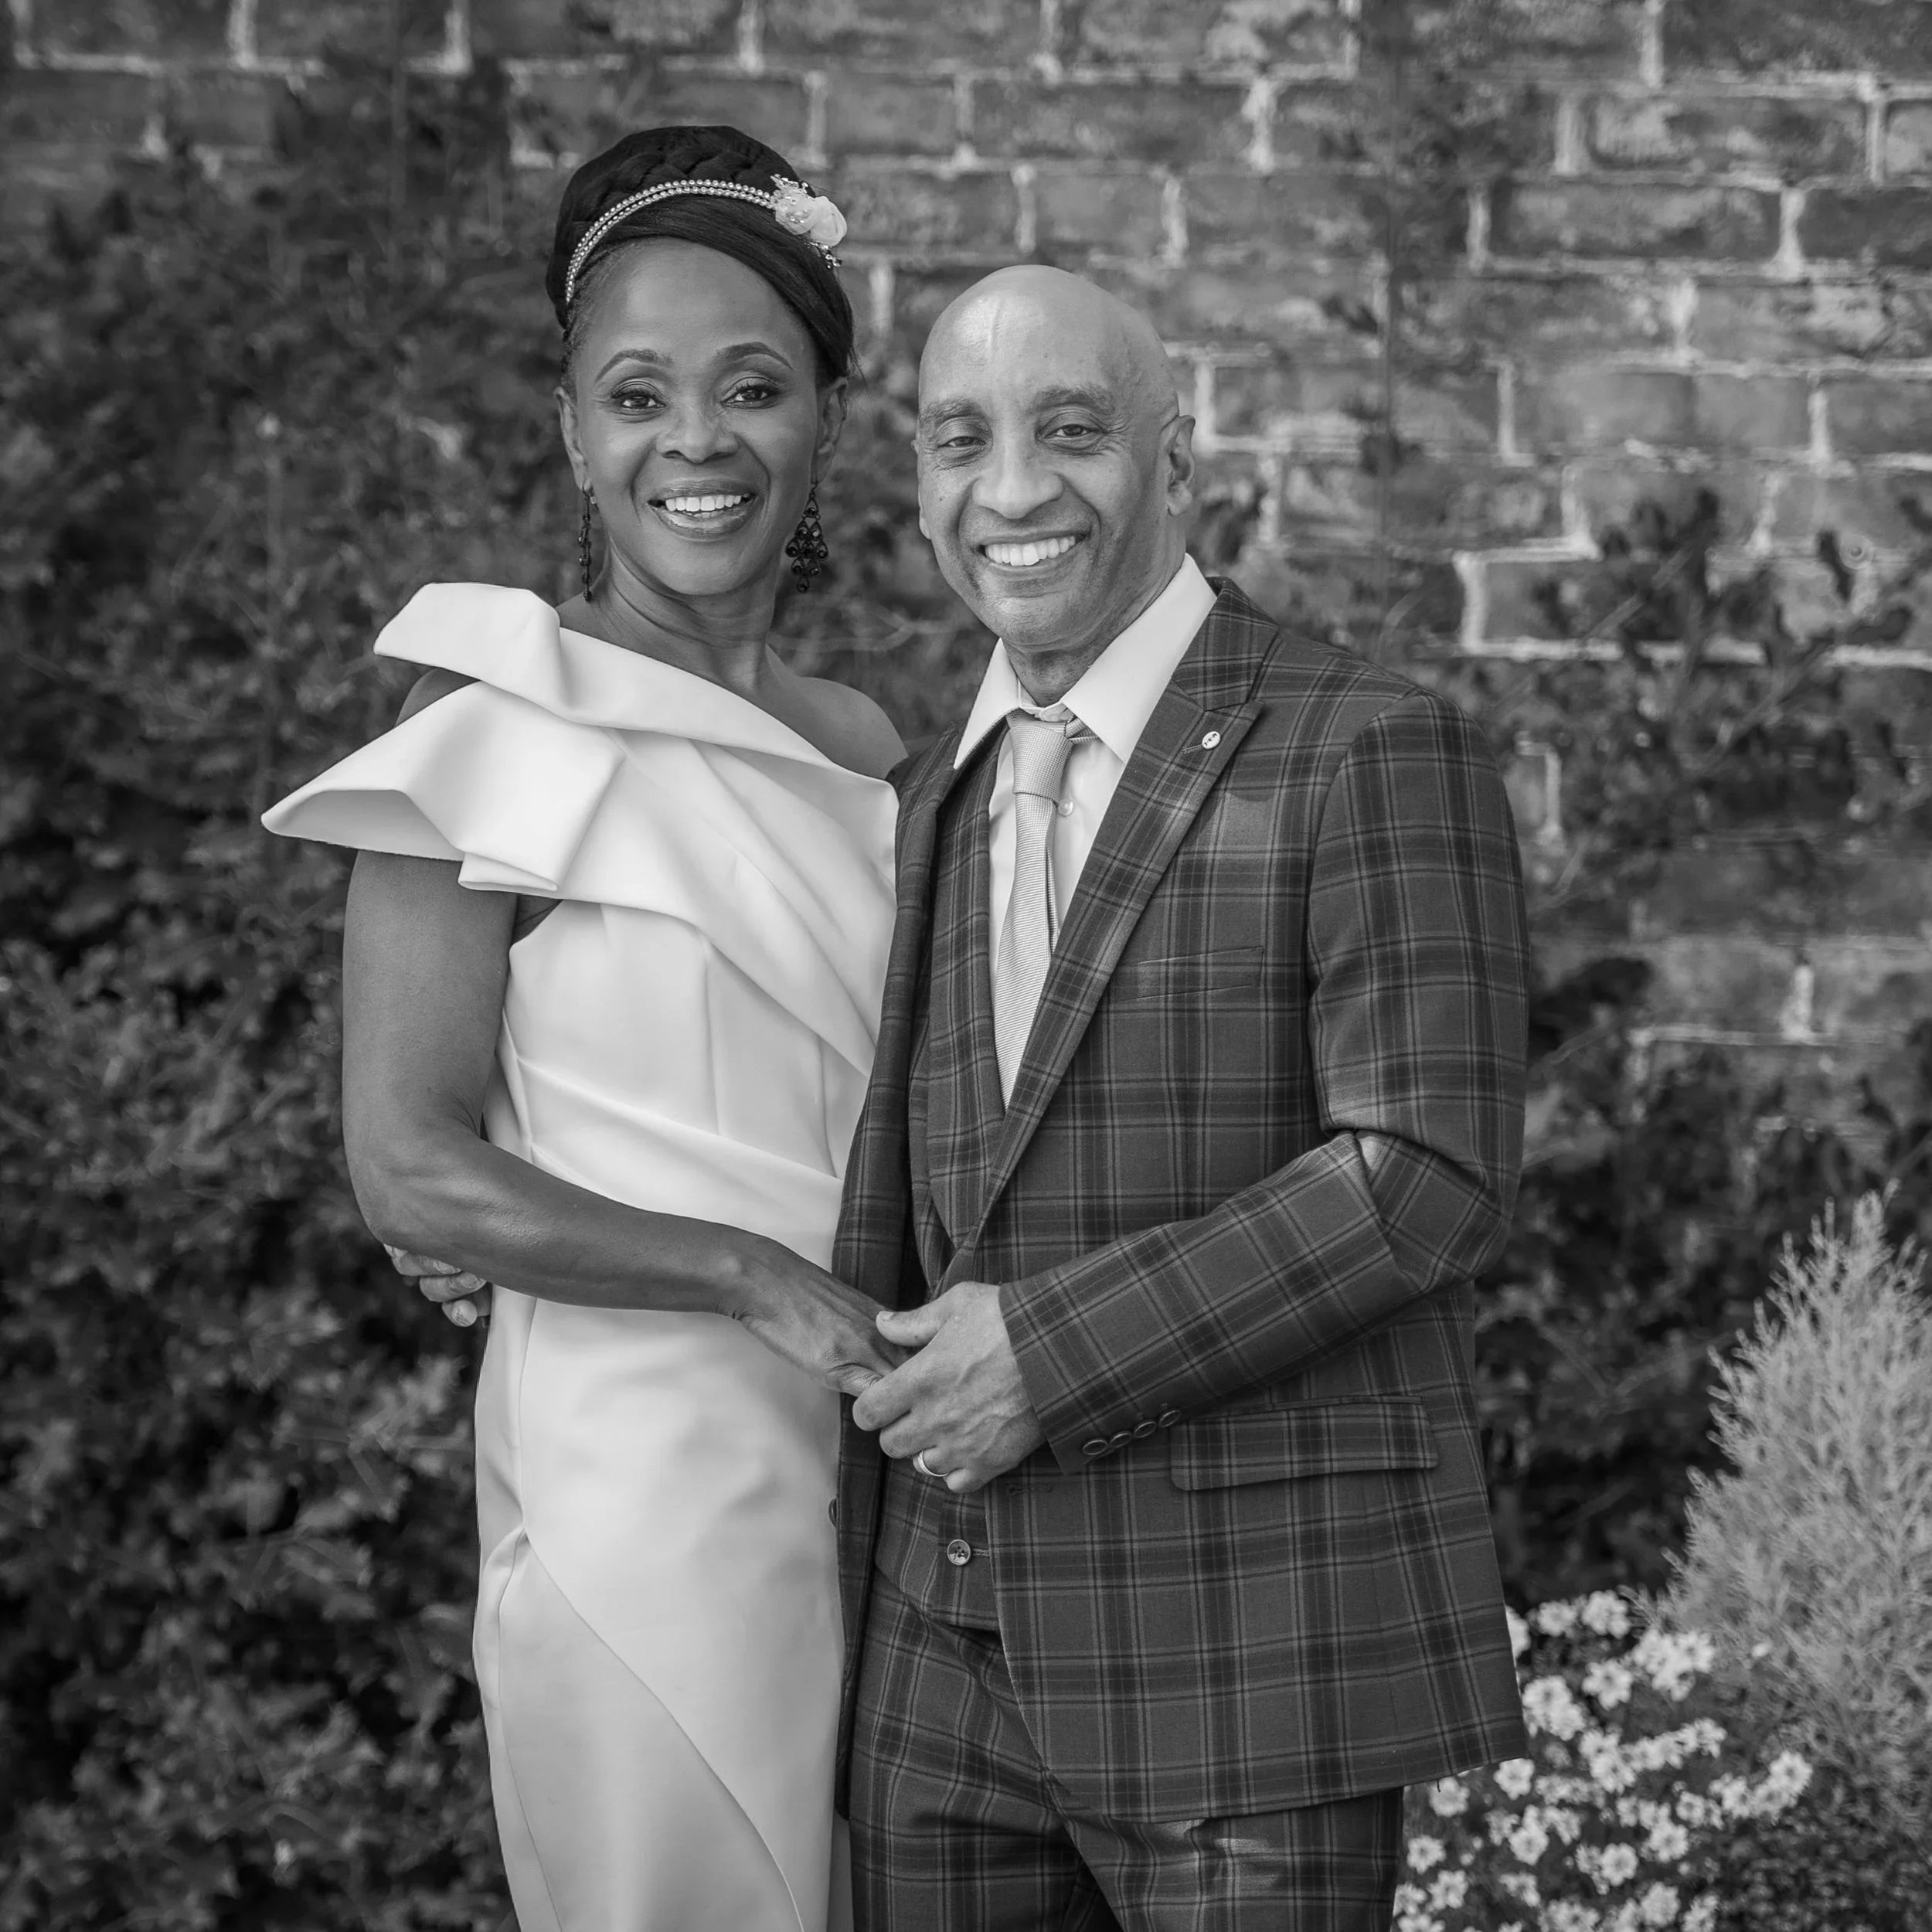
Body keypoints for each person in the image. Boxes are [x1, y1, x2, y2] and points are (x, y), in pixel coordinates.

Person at [831, 265, 1532, 1930]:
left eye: (1068, 430)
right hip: (929, 1669)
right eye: (959, 438)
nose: (1009, 488)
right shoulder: (937, 783)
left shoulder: (1366, 746)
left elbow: (1422, 1168)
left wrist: (1049, 1353)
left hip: (1243, 1656)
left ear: (1175, 458)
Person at [262, 125, 903, 1932]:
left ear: (827, 424)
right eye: (635, 393)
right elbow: (407, 1159)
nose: (692, 441)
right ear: (568, 431)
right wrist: (743, 1275)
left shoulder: (873, 753)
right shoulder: (489, 735)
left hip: (891, 1464)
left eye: (750, 387)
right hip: (641, 1489)